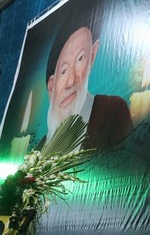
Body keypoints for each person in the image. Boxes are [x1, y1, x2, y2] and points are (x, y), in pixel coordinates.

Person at [44, 11, 133, 150]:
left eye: (80, 59)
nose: (71, 81)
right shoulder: (38, 150)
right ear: (51, 87)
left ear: (91, 57)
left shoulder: (112, 112)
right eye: (64, 71)